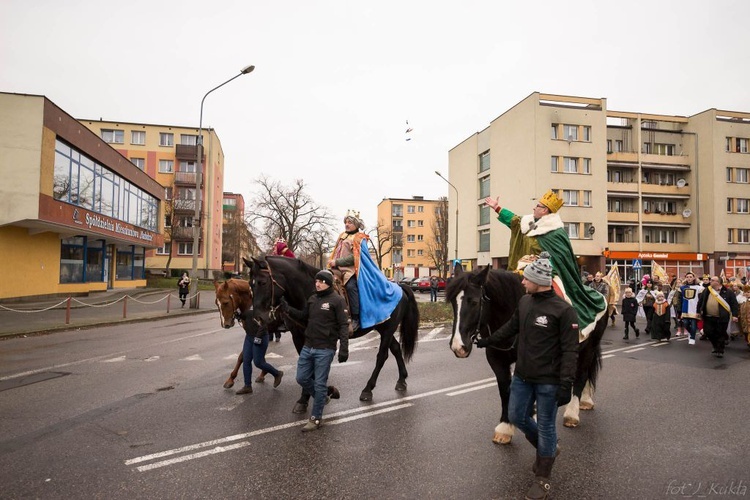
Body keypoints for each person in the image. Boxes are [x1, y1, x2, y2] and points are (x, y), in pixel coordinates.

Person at [476, 252, 578, 499]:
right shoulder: (524, 303)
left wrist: (566, 383)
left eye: (526, 278)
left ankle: (542, 477)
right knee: (516, 416)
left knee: (545, 426)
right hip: (522, 377)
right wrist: (487, 341)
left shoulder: (563, 311)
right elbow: (510, 327)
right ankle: (549, 450)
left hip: (548, 381)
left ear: (539, 280)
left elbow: (570, 349)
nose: (522, 282)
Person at [484, 190, 607, 339]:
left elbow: (559, 258)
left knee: (559, 296)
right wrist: (497, 208)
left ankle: (562, 331)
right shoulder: (529, 223)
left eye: (537, 206)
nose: (533, 208)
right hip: (521, 271)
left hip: (547, 273)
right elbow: (514, 220)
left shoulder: (555, 232)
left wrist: (538, 265)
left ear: (545, 210)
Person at [281, 270, 349, 432]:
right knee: (301, 378)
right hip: (308, 346)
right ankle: (323, 396)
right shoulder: (312, 299)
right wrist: (287, 309)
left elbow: (344, 325)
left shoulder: (337, 301)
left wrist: (344, 349)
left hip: (325, 349)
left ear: (328, 283)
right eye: (316, 281)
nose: (317, 284)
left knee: (318, 383)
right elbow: (303, 316)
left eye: (321, 281)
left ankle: (316, 418)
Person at [328, 210, 402, 333]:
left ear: (356, 225)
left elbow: (356, 257)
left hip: (350, 270)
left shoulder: (359, 238)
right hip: (335, 269)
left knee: (351, 287)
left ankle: (356, 318)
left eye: (350, 222)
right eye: (346, 222)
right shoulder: (342, 236)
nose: (347, 224)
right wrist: (332, 263)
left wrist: (338, 262)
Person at [234, 310, 284, 395]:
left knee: (258, 362)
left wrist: (258, 337)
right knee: (246, 360)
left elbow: (264, 323)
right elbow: (247, 316)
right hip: (249, 336)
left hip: (260, 336)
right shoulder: (248, 305)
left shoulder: (259, 304)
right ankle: (247, 386)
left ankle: (277, 373)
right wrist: (239, 315)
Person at [697, 276, 739, 358]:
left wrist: (735, 315)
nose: (710, 281)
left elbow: (734, 304)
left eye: (712, 280)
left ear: (718, 282)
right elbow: (700, 301)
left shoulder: (728, 292)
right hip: (708, 316)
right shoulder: (707, 290)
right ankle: (715, 345)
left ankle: (720, 350)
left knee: (720, 333)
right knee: (708, 332)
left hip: (721, 317)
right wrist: (698, 312)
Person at [680, 272, 704, 345]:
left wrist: (701, 308)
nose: (689, 278)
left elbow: (701, 299)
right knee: (686, 323)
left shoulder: (699, 288)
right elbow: (680, 299)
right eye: (687, 277)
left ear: (694, 278)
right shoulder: (682, 288)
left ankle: (692, 337)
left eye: (690, 277)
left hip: (695, 308)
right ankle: (691, 333)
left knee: (693, 324)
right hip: (685, 308)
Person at [738, 285, 750, 351]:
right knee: (745, 332)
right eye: (745, 292)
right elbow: (739, 309)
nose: (747, 294)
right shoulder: (742, 301)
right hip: (744, 320)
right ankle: (748, 342)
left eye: (748, 292)